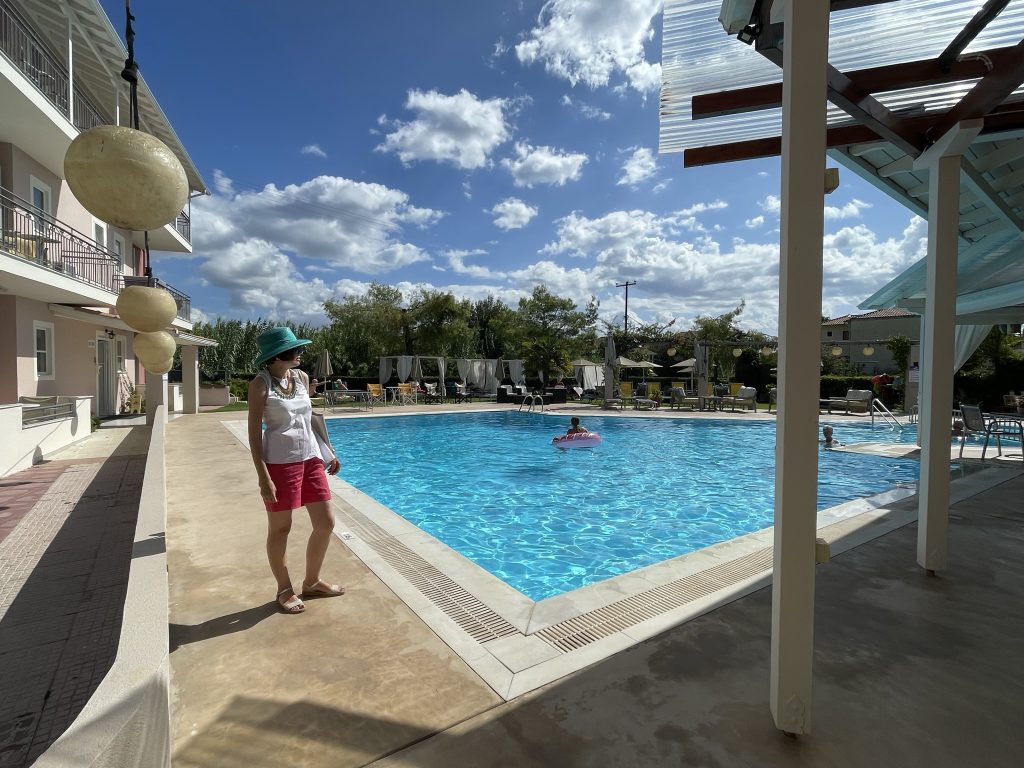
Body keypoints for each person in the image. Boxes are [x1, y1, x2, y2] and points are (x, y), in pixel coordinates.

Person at [248, 327, 344, 614]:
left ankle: (312, 581)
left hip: (310, 458)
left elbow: (310, 419)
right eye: (295, 349)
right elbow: (254, 433)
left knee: (326, 523)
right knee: (281, 528)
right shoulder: (260, 384)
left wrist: (329, 449)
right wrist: (263, 476)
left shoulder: (300, 378)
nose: (300, 353)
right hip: (279, 463)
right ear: (278, 355)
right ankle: (284, 588)